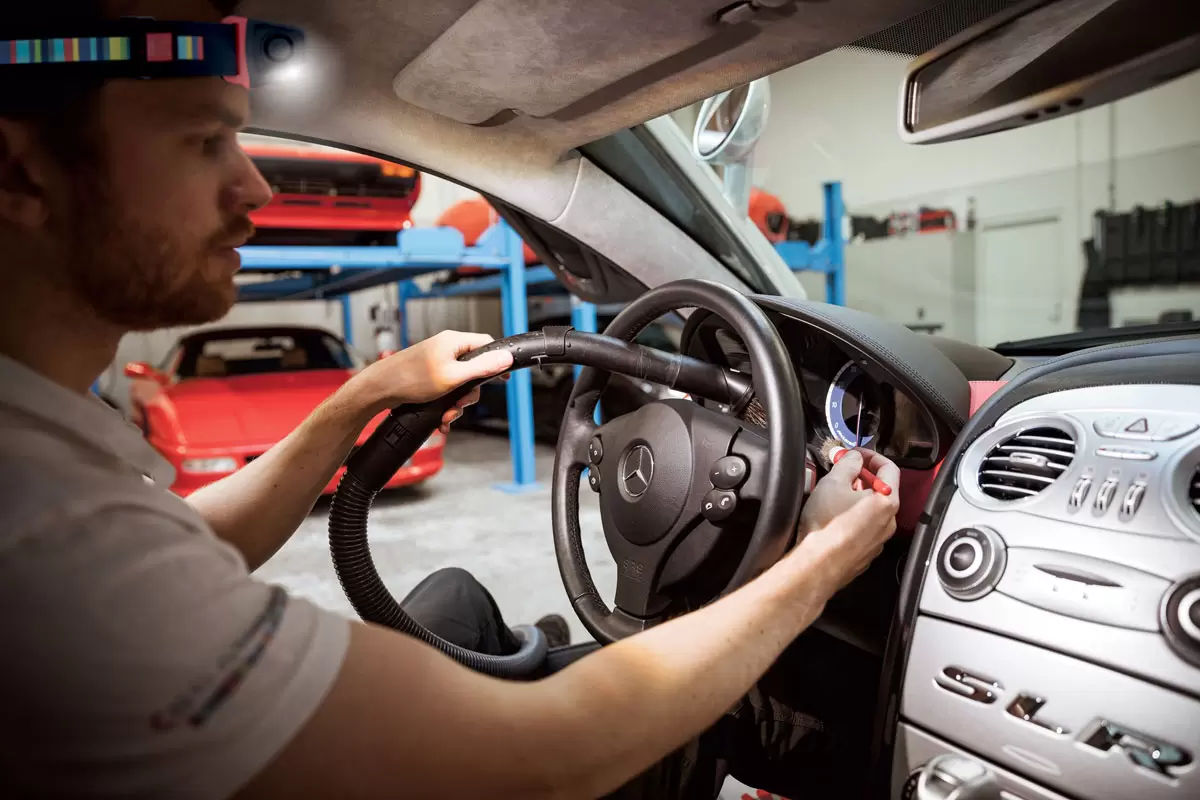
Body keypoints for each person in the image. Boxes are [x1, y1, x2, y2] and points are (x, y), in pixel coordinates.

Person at [0, 2, 901, 799]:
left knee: (459, 601)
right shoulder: (52, 544)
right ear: (20, 173)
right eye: (203, 141)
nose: (256, 189)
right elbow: (544, 761)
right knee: (728, 712)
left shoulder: (47, 460)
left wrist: (368, 393)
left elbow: (206, 535)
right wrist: (820, 559)